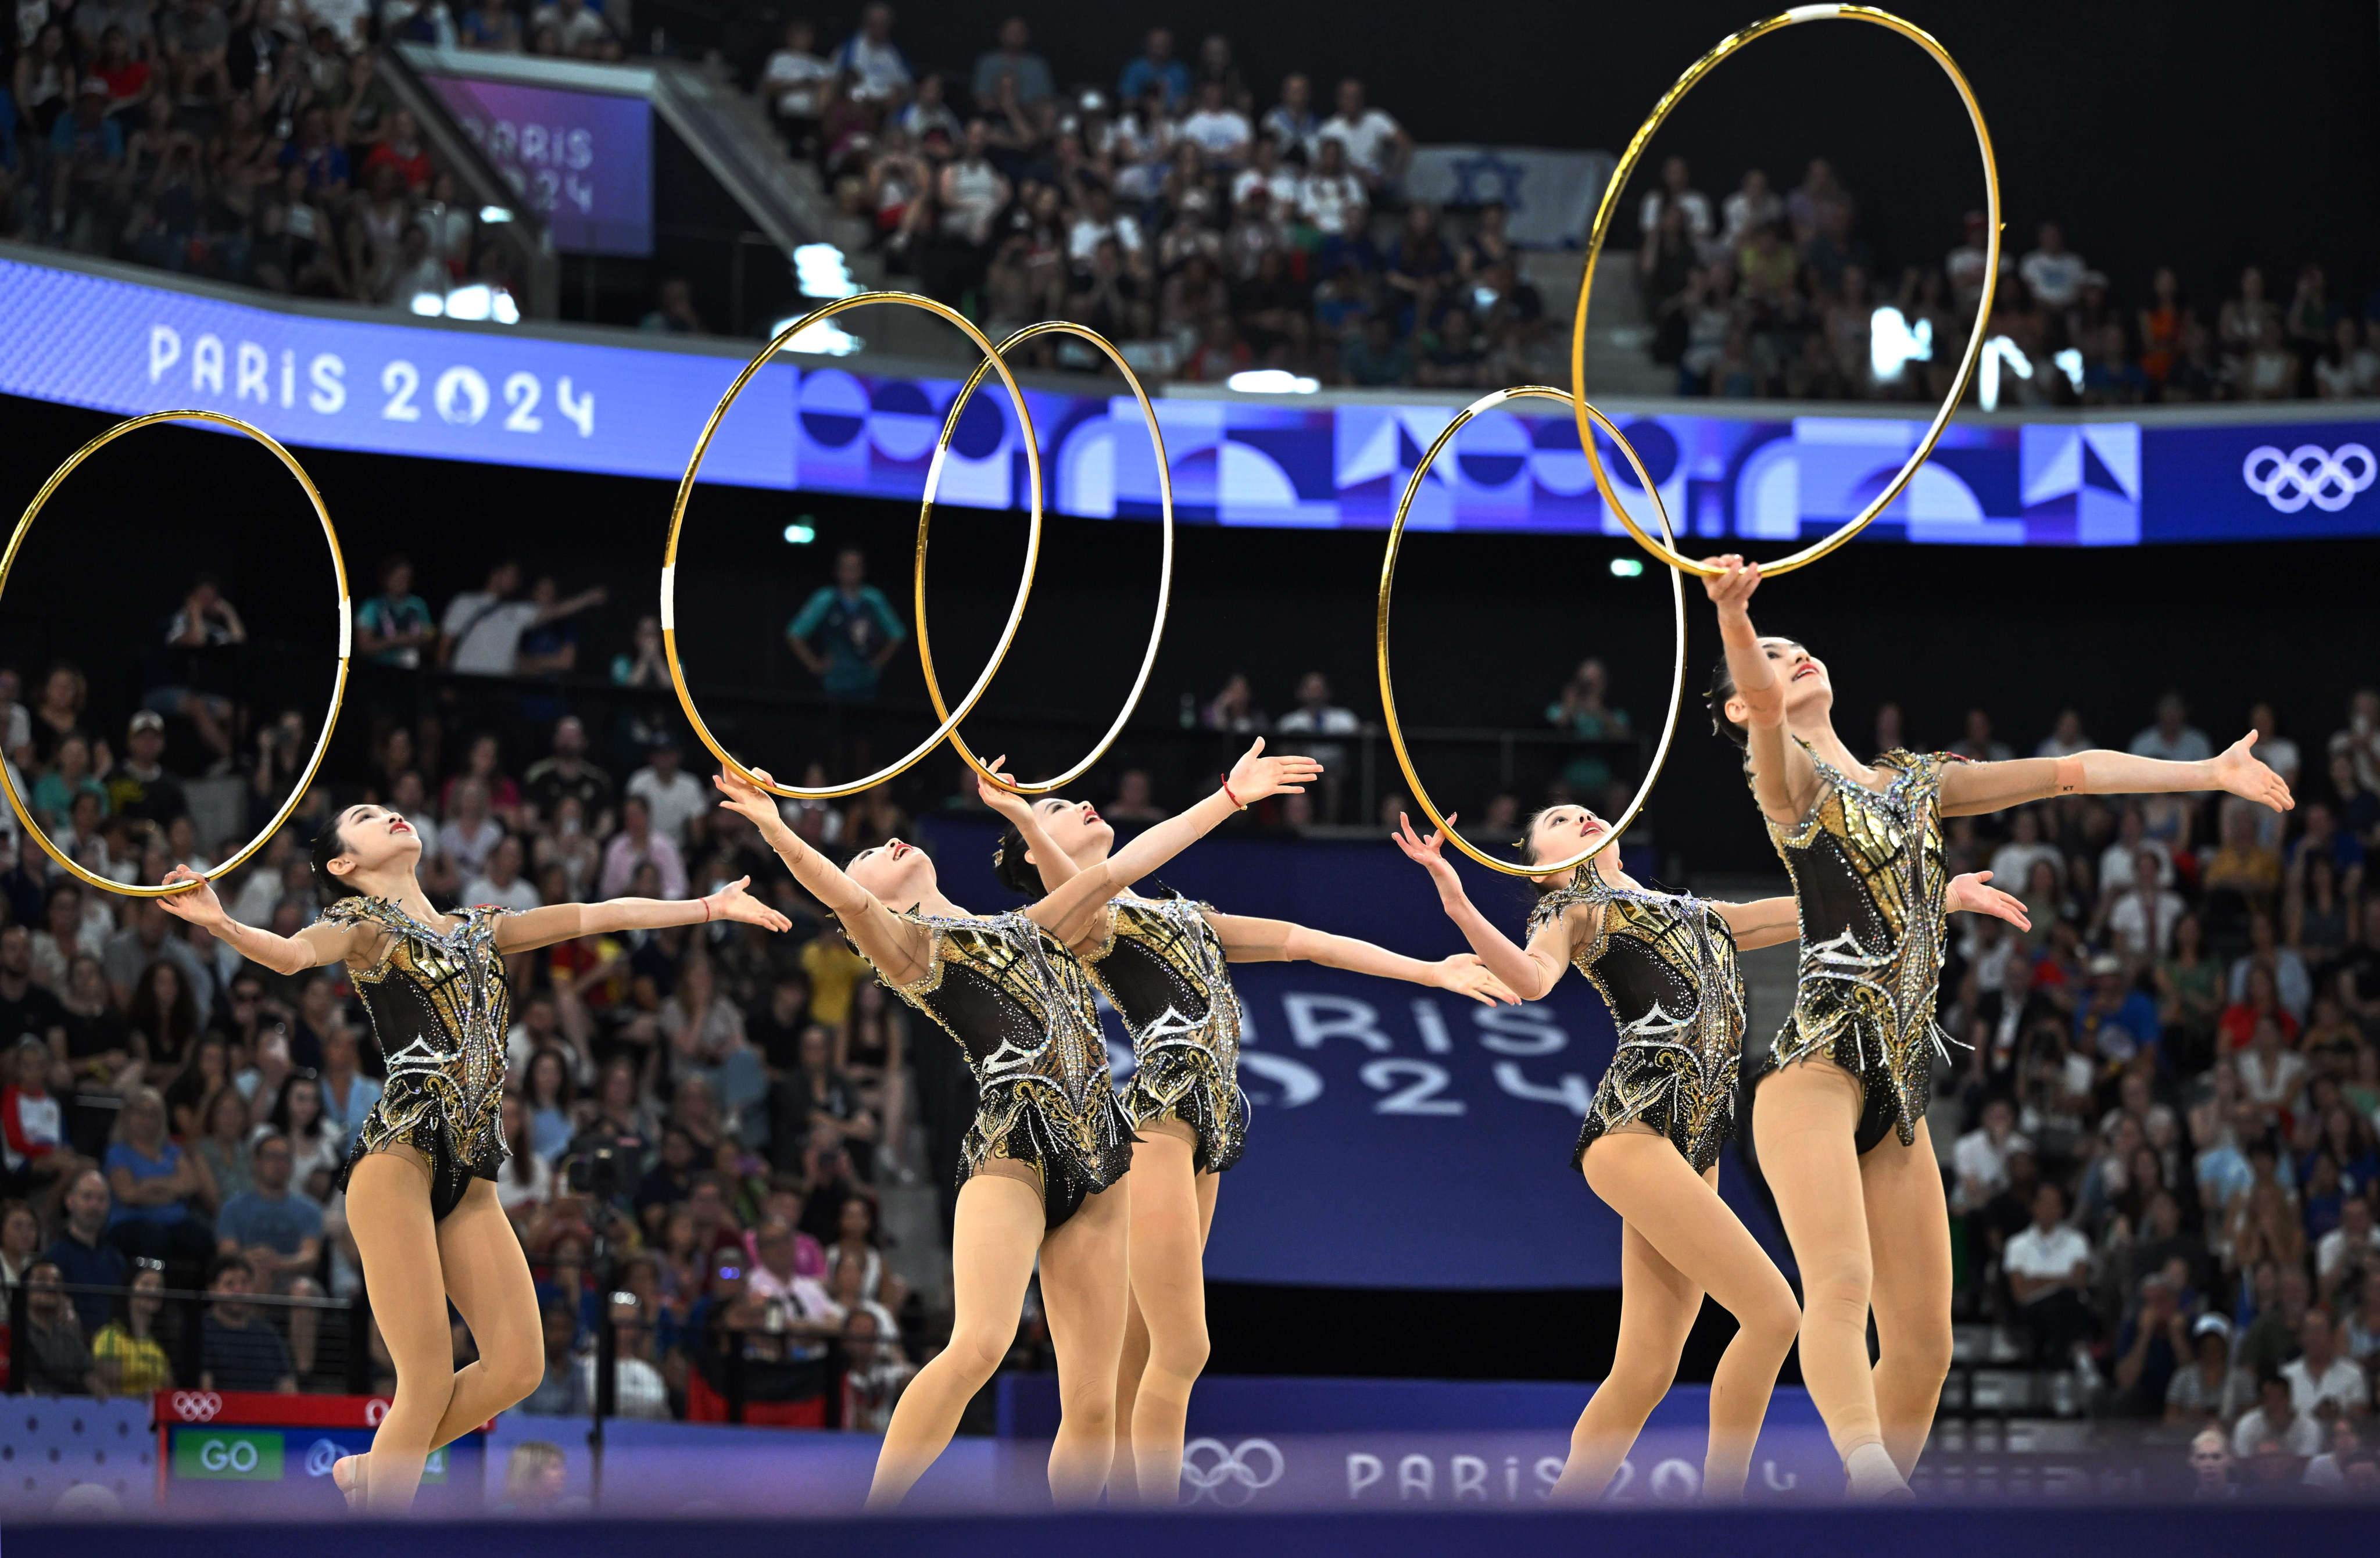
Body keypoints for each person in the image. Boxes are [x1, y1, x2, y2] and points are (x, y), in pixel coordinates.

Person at [1702, 552, 2292, 1497]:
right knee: (1842, 1287)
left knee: (1928, 1345)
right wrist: (1735, 621)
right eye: (1771, 657)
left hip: (1897, 1093)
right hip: (1812, 1071)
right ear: (1740, 703)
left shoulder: (1914, 781)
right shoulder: (1790, 785)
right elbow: (1770, 718)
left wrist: (2208, 771)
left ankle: (1864, 1510)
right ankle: (1866, 1475)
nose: (1790, 658)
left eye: (1796, 643)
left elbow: (2070, 774)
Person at [713, 739, 1319, 1507]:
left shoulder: (1034, 925)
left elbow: (1118, 872)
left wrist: (1229, 798)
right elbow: (837, 893)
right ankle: (871, 1520)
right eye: (870, 852)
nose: (887, 842)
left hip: (1099, 1169)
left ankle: (1070, 1542)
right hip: (1014, 1155)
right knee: (979, 1344)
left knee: (1094, 1404)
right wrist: (775, 824)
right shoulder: (908, 945)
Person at [154, 802, 788, 1511]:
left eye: (390, 808)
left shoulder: (482, 927)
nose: (391, 814)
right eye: (367, 817)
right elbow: (292, 953)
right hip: (400, 1156)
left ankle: (375, 1471)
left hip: (474, 1168)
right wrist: (222, 923)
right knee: (425, 1380)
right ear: (344, 866)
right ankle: (379, 1518)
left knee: (518, 1364)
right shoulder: (360, 923)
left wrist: (709, 905)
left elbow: (597, 912)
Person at [988, 773, 1513, 1504]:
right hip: (1158, 1129)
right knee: (1184, 1348)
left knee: (1135, 1365)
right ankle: (1156, 1531)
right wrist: (1025, 814)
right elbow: (1087, 876)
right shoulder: (1087, 915)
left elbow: (1305, 942)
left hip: (1210, 1133)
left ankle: (1087, 1529)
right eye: (1052, 809)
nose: (1078, 802)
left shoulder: (1179, 915)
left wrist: (1426, 968)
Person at [786, 547, 907, 705]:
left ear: (863, 570)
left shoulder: (873, 599)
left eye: (855, 568)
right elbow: (795, 633)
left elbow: (898, 634)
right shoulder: (825, 598)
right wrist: (814, 665)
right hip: (833, 683)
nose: (850, 573)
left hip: (866, 681)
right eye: (846, 568)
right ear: (837, 570)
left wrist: (879, 663)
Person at [93, 1262, 175, 1395]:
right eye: (146, 1284)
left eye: (159, 1286)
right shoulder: (110, 1335)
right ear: (129, 1290)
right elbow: (109, 1388)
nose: (154, 1291)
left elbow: (169, 1388)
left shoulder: (161, 1343)